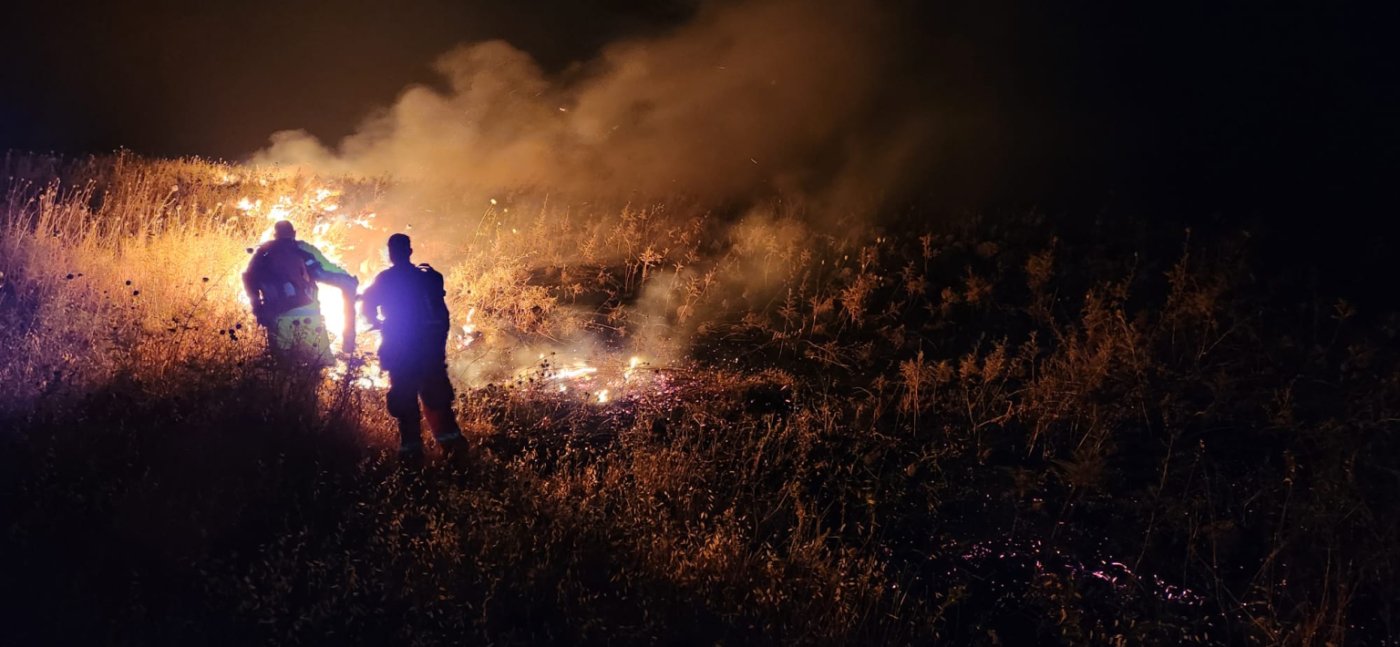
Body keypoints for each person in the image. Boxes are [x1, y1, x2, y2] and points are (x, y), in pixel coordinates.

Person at [360, 233, 465, 458]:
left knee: (406, 403)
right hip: (429, 352)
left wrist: (377, 323)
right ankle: (454, 451)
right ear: (409, 252)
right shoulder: (427, 278)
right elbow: (442, 316)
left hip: (400, 352)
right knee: (437, 400)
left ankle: (412, 455)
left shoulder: (385, 279)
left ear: (391, 254)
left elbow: (367, 305)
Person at [242, 220, 359, 367]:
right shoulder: (303, 249)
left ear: (275, 235)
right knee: (316, 370)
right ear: (294, 233)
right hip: (309, 321)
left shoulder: (263, 253)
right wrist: (349, 279)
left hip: (278, 322)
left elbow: (248, 279)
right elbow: (325, 272)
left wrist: (258, 308)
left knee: (284, 372)